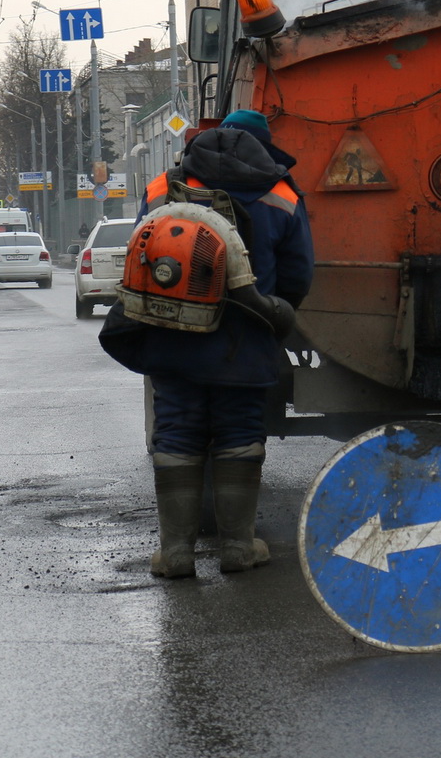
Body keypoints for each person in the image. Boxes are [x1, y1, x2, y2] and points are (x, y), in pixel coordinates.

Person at [100, 110, 314, 578]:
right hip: (246, 339)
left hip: (171, 335)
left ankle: (176, 554)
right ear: (264, 145)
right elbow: (299, 274)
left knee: (176, 430)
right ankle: (238, 547)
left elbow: (143, 250)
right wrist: (269, 311)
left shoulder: (163, 187)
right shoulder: (280, 193)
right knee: (239, 432)